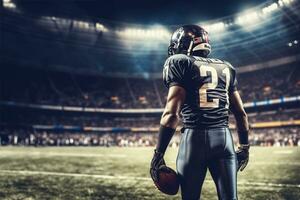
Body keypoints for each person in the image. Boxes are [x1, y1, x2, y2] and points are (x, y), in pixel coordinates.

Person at [150, 25, 250, 200]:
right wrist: (244, 147)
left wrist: (158, 154)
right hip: (224, 141)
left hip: (194, 140)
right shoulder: (226, 67)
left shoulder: (180, 62)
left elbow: (171, 114)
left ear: (186, 44)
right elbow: (241, 113)